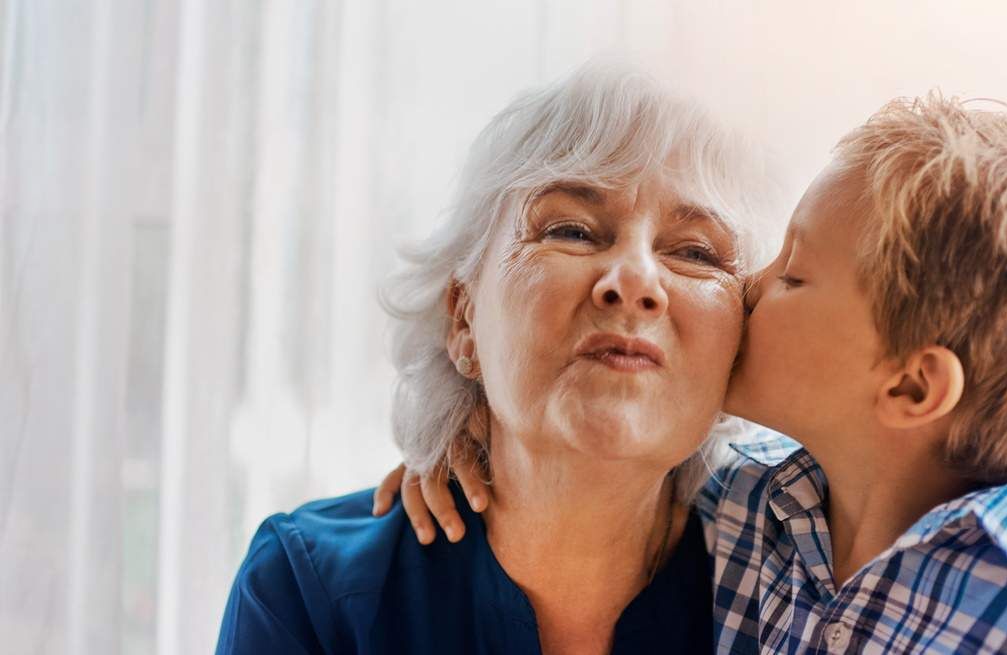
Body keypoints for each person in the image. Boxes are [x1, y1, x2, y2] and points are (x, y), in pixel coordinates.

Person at [380, 94, 1007, 653]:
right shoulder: (756, 513)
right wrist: (473, 438)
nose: (748, 284)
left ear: (909, 387)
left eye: (793, 275)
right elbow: (591, 469)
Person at [214, 66, 785, 654]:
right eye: (573, 231)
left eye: (696, 252)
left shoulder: (792, 597)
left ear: (739, 348)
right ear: (464, 319)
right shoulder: (307, 589)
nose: (635, 279)